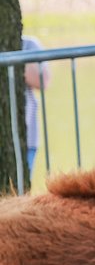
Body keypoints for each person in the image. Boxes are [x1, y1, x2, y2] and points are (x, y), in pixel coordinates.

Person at [21, 36, 50, 174]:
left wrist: (15, 58)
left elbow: (43, 81)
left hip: (26, 138)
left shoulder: (28, 45)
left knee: (21, 187)